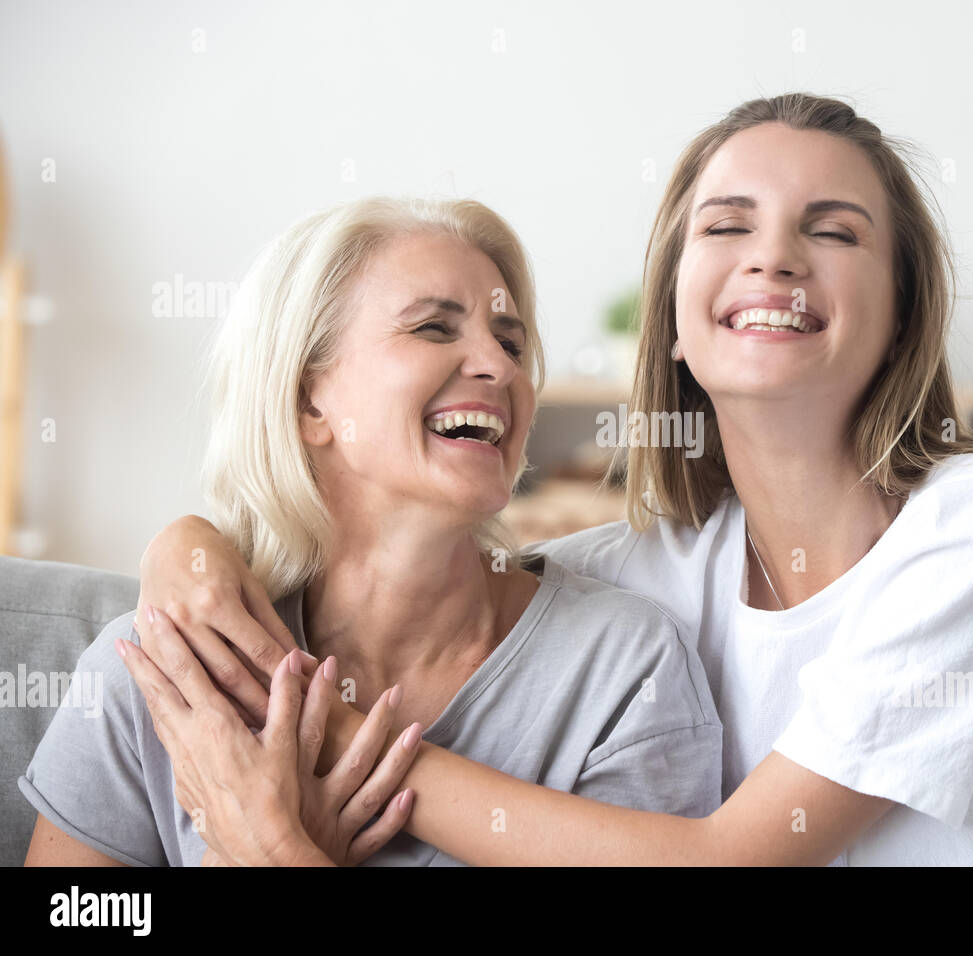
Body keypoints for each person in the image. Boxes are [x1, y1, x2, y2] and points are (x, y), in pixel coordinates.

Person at [120, 93, 973, 865]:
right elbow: (452, 569)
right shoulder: (654, 569)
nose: (774, 257)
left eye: (833, 230)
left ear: (902, 308)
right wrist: (188, 545)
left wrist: (329, 742)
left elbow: (725, 861)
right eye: (727, 225)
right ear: (672, 309)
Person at [20, 197, 723, 867]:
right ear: (307, 401)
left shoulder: (625, 672)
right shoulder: (163, 666)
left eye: (510, 340)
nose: (499, 365)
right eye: (434, 327)